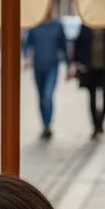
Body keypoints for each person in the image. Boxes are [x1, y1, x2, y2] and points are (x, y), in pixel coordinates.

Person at [71, 26, 105, 138]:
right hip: (90, 68)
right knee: (92, 96)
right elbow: (79, 44)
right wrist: (78, 62)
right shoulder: (86, 26)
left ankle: (101, 120)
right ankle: (95, 124)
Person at [23, 10, 68, 139]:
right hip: (38, 67)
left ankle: (47, 125)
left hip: (52, 66)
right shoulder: (35, 26)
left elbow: (63, 46)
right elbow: (27, 44)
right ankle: (44, 124)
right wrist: (26, 58)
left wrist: (70, 65)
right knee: (41, 96)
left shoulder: (57, 26)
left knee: (48, 95)